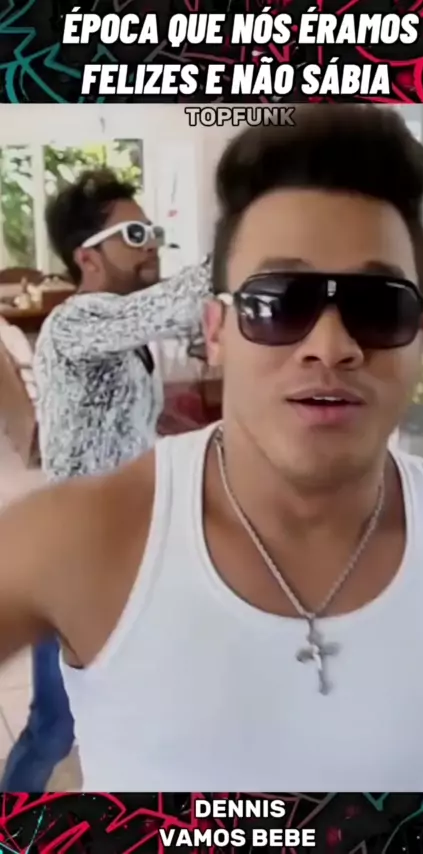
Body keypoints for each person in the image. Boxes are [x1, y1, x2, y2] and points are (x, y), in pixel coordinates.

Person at [2, 105, 423, 791]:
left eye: (379, 305)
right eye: (278, 301)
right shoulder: (73, 534)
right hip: (127, 534)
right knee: (50, 726)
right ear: (216, 332)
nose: (331, 346)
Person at [0, 170, 210, 791]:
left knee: (135, 708)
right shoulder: (76, 322)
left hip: (127, 549)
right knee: (53, 727)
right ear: (87, 257)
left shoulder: (122, 333)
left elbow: (126, 423)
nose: (151, 246)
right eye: (135, 235)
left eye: (153, 233)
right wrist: (252, 238)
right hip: (75, 558)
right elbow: (177, 303)